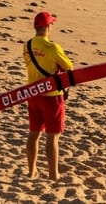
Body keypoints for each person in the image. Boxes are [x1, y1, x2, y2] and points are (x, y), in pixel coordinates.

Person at [24, 11, 73, 181]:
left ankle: (31, 172)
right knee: (52, 136)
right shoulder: (53, 47)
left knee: (34, 133)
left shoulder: (27, 45)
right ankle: (53, 174)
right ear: (48, 27)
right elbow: (68, 67)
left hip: (33, 94)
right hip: (51, 96)